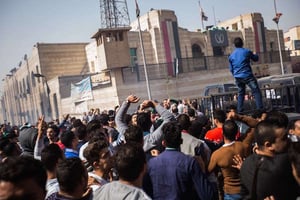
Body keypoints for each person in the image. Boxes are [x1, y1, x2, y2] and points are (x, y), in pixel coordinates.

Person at [143, 121, 217, 200]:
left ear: (163, 143)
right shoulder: (190, 162)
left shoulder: (151, 163)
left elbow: (146, 192)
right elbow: (207, 194)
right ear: (181, 141)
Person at [240, 112, 299, 200]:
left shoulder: (246, 164)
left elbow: (244, 195)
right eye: (284, 138)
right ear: (268, 145)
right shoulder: (283, 163)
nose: (288, 140)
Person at [207, 119, 254, 200]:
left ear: (222, 133)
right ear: (236, 132)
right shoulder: (244, 146)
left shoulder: (217, 154)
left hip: (230, 192)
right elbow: (254, 125)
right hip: (246, 188)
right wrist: (237, 116)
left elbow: (208, 171)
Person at [228, 37, 263, 113]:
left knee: (241, 93)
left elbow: (231, 69)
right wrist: (255, 53)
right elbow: (256, 59)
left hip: (238, 77)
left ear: (234, 45)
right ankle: (260, 110)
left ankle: (240, 110)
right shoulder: (246, 51)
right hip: (247, 76)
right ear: (242, 43)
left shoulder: (231, 56)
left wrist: (236, 74)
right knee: (256, 91)